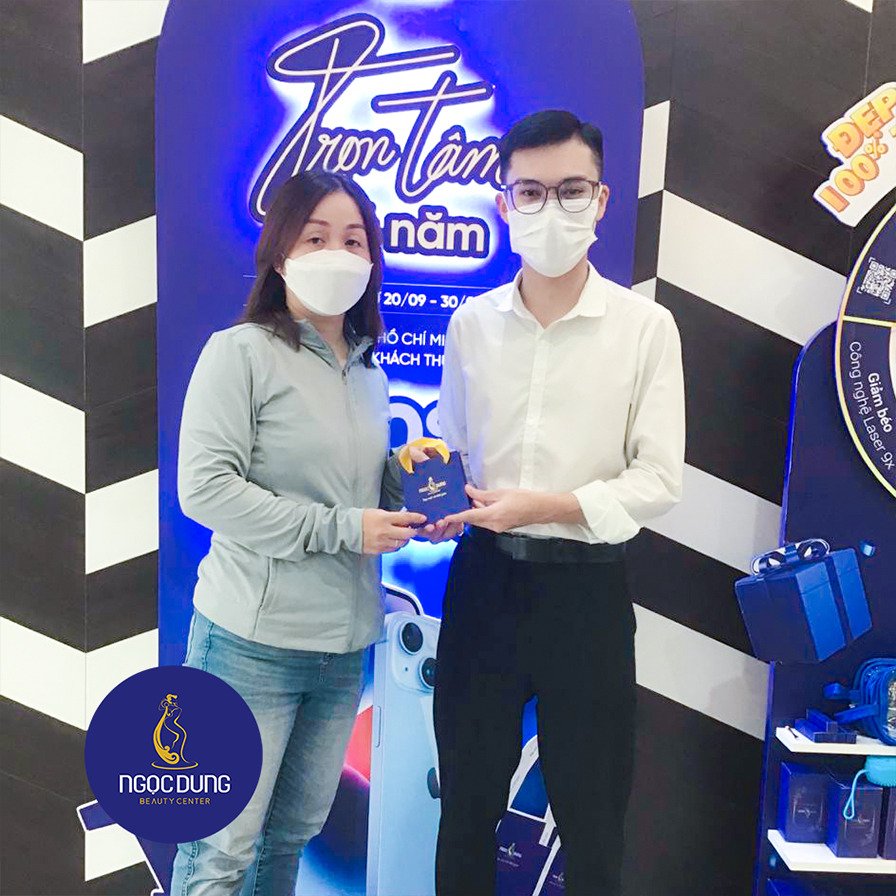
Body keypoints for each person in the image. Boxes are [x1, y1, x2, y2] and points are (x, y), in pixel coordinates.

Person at [429, 109, 686, 896]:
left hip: (587, 594)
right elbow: (450, 448)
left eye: (571, 189)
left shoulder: (645, 328)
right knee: (465, 804)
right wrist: (431, 498)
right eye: (530, 191)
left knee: (592, 816)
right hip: (483, 584)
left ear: (602, 200)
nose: (551, 208)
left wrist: (548, 506)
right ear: (504, 203)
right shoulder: (471, 325)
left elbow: (659, 480)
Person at [170, 170, 425, 896]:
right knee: (220, 849)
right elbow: (205, 489)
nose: (337, 253)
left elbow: (355, 494)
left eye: (354, 239)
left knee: (289, 841)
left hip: (341, 653)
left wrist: (409, 484)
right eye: (316, 237)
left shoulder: (368, 371)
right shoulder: (241, 353)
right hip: (250, 645)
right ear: (280, 253)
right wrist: (345, 528)